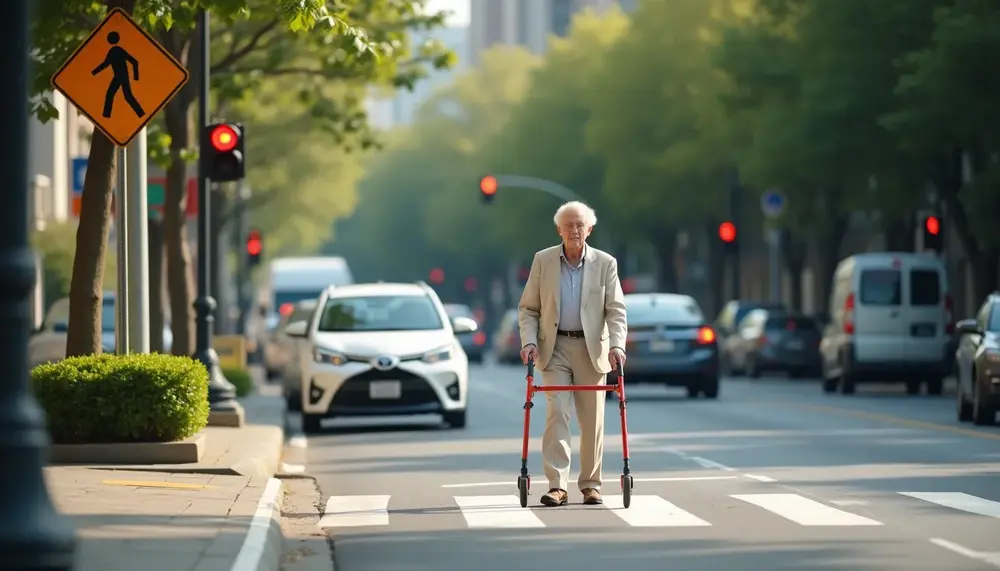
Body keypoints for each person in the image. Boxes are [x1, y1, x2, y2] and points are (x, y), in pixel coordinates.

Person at [517, 201, 628, 507]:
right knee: (558, 411)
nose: (574, 230)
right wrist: (529, 341)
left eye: (580, 225)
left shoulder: (606, 263)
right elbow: (528, 309)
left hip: (593, 348)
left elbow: (616, 311)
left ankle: (591, 484)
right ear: (559, 230)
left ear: (589, 229)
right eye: (569, 225)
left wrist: (617, 345)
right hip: (554, 348)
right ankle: (557, 485)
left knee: (592, 419)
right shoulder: (543, 261)